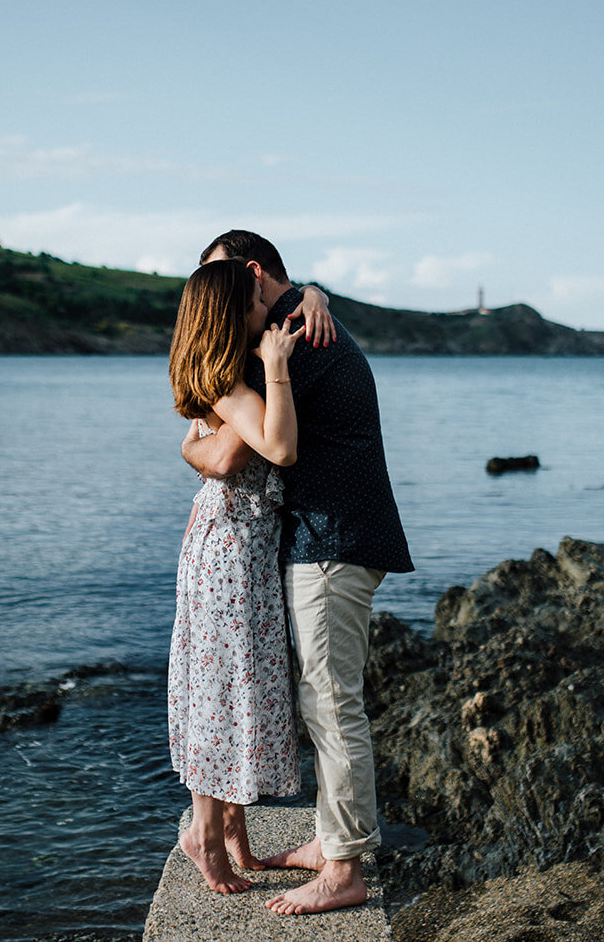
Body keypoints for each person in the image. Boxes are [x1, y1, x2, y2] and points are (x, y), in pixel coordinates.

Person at [183, 230, 413, 916]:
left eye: (224, 287)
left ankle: (342, 870)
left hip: (331, 542)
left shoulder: (294, 338)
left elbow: (229, 451)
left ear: (253, 276)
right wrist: (315, 291)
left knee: (330, 702)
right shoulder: (303, 317)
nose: (217, 304)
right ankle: (329, 840)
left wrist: (191, 441)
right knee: (321, 699)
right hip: (329, 537)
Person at [166, 258, 307, 894]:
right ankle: (204, 832)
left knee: (238, 679)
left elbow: (212, 451)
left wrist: (315, 299)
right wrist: (277, 367)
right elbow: (276, 449)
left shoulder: (226, 376)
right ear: (233, 312)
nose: (266, 308)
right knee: (223, 685)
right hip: (228, 549)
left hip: (239, 544)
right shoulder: (232, 383)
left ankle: (232, 828)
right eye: (256, 300)